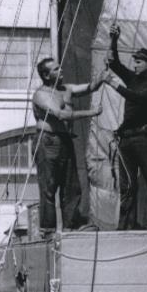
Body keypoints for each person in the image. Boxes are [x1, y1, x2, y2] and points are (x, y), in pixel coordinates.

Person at [102, 24, 147, 230]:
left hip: (146, 139)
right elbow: (114, 63)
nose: (135, 66)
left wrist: (115, 85)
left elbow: (138, 98)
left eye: (139, 62)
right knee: (127, 185)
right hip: (128, 139)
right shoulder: (133, 79)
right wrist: (113, 39)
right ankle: (126, 225)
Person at [32, 57, 103, 237]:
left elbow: (90, 87)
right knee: (49, 186)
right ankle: (47, 230)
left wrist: (103, 77)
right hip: (48, 141)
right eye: (57, 69)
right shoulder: (41, 95)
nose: (61, 71)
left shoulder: (67, 89)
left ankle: (70, 225)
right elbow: (61, 114)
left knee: (71, 185)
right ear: (47, 75)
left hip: (65, 140)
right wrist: (91, 113)